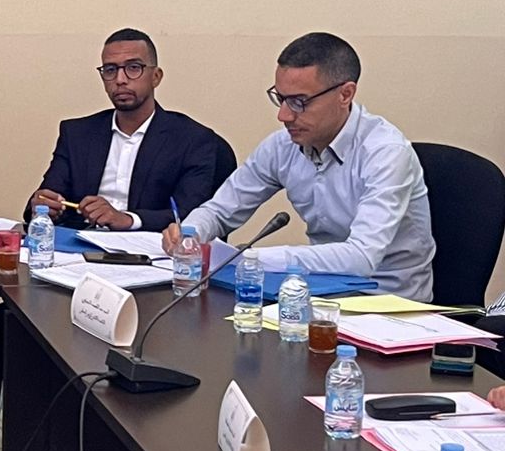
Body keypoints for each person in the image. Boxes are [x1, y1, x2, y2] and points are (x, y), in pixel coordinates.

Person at [163, 32, 435, 301]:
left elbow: (362, 257)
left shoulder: (385, 153)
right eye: (280, 99)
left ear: (345, 94)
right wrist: (190, 233)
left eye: (299, 102)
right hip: (320, 293)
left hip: (389, 305)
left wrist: (252, 257)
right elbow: (219, 210)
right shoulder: (282, 146)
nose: (283, 115)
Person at [29, 28, 233, 232]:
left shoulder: (193, 139)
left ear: (156, 77)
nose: (120, 79)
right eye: (110, 70)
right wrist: (42, 205)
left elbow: (190, 214)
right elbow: (47, 198)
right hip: (81, 245)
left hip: (152, 247)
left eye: (133, 68)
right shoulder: (77, 134)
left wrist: (129, 219)